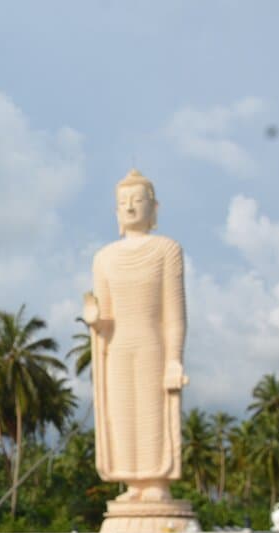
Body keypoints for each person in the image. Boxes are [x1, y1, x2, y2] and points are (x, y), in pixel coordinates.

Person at [83, 169, 187, 503]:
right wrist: (96, 321)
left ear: (154, 208)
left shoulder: (166, 250)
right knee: (121, 414)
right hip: (116, 347)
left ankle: (155, 481)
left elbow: (174, 314)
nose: (130, 208)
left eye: (137, 200)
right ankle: (133, 483)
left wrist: (174, 360)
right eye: (123, 203)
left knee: (151, 411)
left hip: (151, 346)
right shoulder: (104, 258)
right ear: (116, 212)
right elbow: (106, 315)